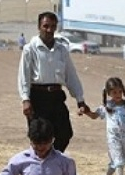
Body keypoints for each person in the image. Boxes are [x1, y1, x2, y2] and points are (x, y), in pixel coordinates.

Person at [18, 11, 90, 152]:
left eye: (52, 26)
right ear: (39, 27)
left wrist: (80, 99)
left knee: (65, 134)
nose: (49, 30)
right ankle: (39, 162)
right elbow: (23, 75)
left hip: (56, 96)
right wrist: (25, 99)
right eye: (45, 26)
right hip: (38, 97)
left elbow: (70, 75)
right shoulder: (30, 49)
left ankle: (52, 159)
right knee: (40, 136)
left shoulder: (61, 50)